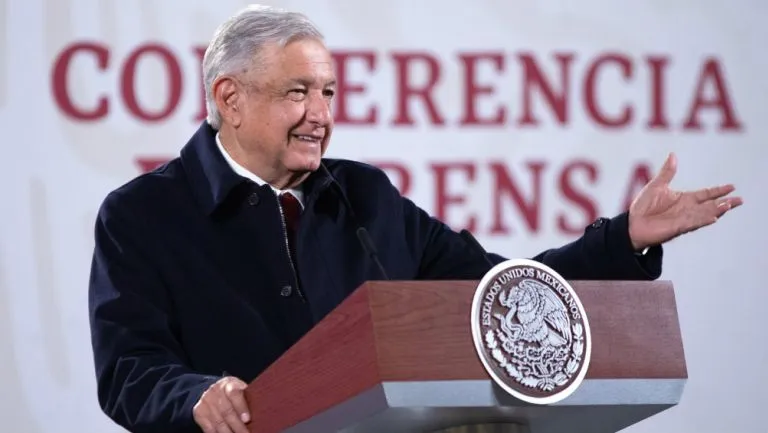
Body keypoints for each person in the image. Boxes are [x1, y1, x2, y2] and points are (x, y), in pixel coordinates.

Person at [87, 5, 742, 433]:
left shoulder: (364, 198)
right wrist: (198, 394)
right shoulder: (143, 215)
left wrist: (621, 240)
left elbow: (499, 294)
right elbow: (129, 370)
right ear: (229, 97)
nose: (321, 113)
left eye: (329, 92)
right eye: (298, 92)